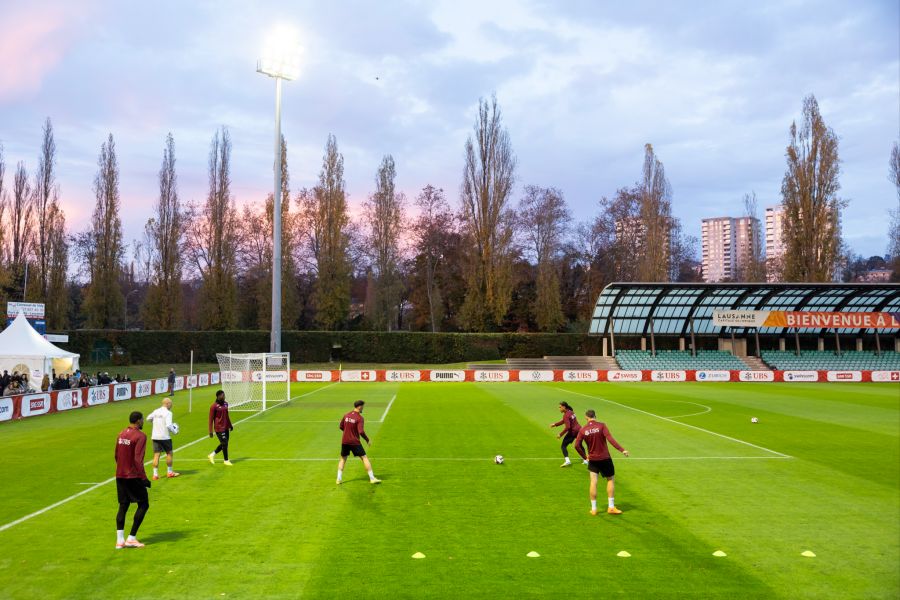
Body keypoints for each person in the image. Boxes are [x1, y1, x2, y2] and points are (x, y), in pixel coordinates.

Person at [574, 409, 629, 516]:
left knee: (593, 482)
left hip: (593, 460)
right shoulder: (601, 426)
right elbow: (610, 439)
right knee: (610, 480)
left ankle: (594, 509)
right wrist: (622, 450)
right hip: (605, 458)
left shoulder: (583, 430)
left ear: (586, 417)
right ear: (595, 416)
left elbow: (576, 445)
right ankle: (611, 507)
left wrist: (585, 457)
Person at [115, 410, 151, 548]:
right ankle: (131, 538)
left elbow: (116, 455)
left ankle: (119, 541)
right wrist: (144, 478)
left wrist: (121, 468)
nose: (143, 422)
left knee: (123, 505)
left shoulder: (121, 433)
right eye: (142, 419)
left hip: (120, 475)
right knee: (143, 504)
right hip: (133, 476)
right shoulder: (140, 436)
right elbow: (138, 459)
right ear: (138, 421)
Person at [337, 400, 381, 485]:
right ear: (359, 406)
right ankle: (372, 478)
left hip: (345, 441)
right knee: (364, 458)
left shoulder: (346, 415)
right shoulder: (359, 418)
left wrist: (348, 433)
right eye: (363, 406)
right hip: (354, 442)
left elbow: (341, 427)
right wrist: (367, 439)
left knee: (343, 459)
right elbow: (361, 431)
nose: (363, 408)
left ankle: (338, 479)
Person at [146, 397, 180, 480]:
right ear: (167, 403)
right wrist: (175, 431)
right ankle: (169, 472)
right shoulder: (168, 413)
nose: (171, 405)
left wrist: (156, 422)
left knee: (156, 455)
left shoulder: (156, 411)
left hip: (155, 436)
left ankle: (155, 475)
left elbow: (148, 418)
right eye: (171, 403)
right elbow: (168, 425)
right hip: (165, 437)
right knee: (169, 453)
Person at [550, 401, 587, 468]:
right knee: (580, 445)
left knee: (563, 446)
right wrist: (555, 424)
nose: (559, 409)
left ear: (564, 407)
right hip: (579, 430)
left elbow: (568, 427)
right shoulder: (570, 411)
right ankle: (585, 460)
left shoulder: (566, 415)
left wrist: (560, 434)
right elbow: (564, 421)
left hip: (573, 432)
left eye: (560, 407)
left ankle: (567, 461)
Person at [208, 390, 233, 466]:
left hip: (225, 427)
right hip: (219, 428)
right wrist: (210, 431)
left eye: (224, 395)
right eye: (222, 395)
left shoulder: (226, 404)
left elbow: (227, 415)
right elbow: (210, 419)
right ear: (218, 396)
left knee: (224, 443)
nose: (224, 396)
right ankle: (226, 460)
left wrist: (230, 425)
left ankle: (211, 455)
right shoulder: (214, 406)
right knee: (224, 443)